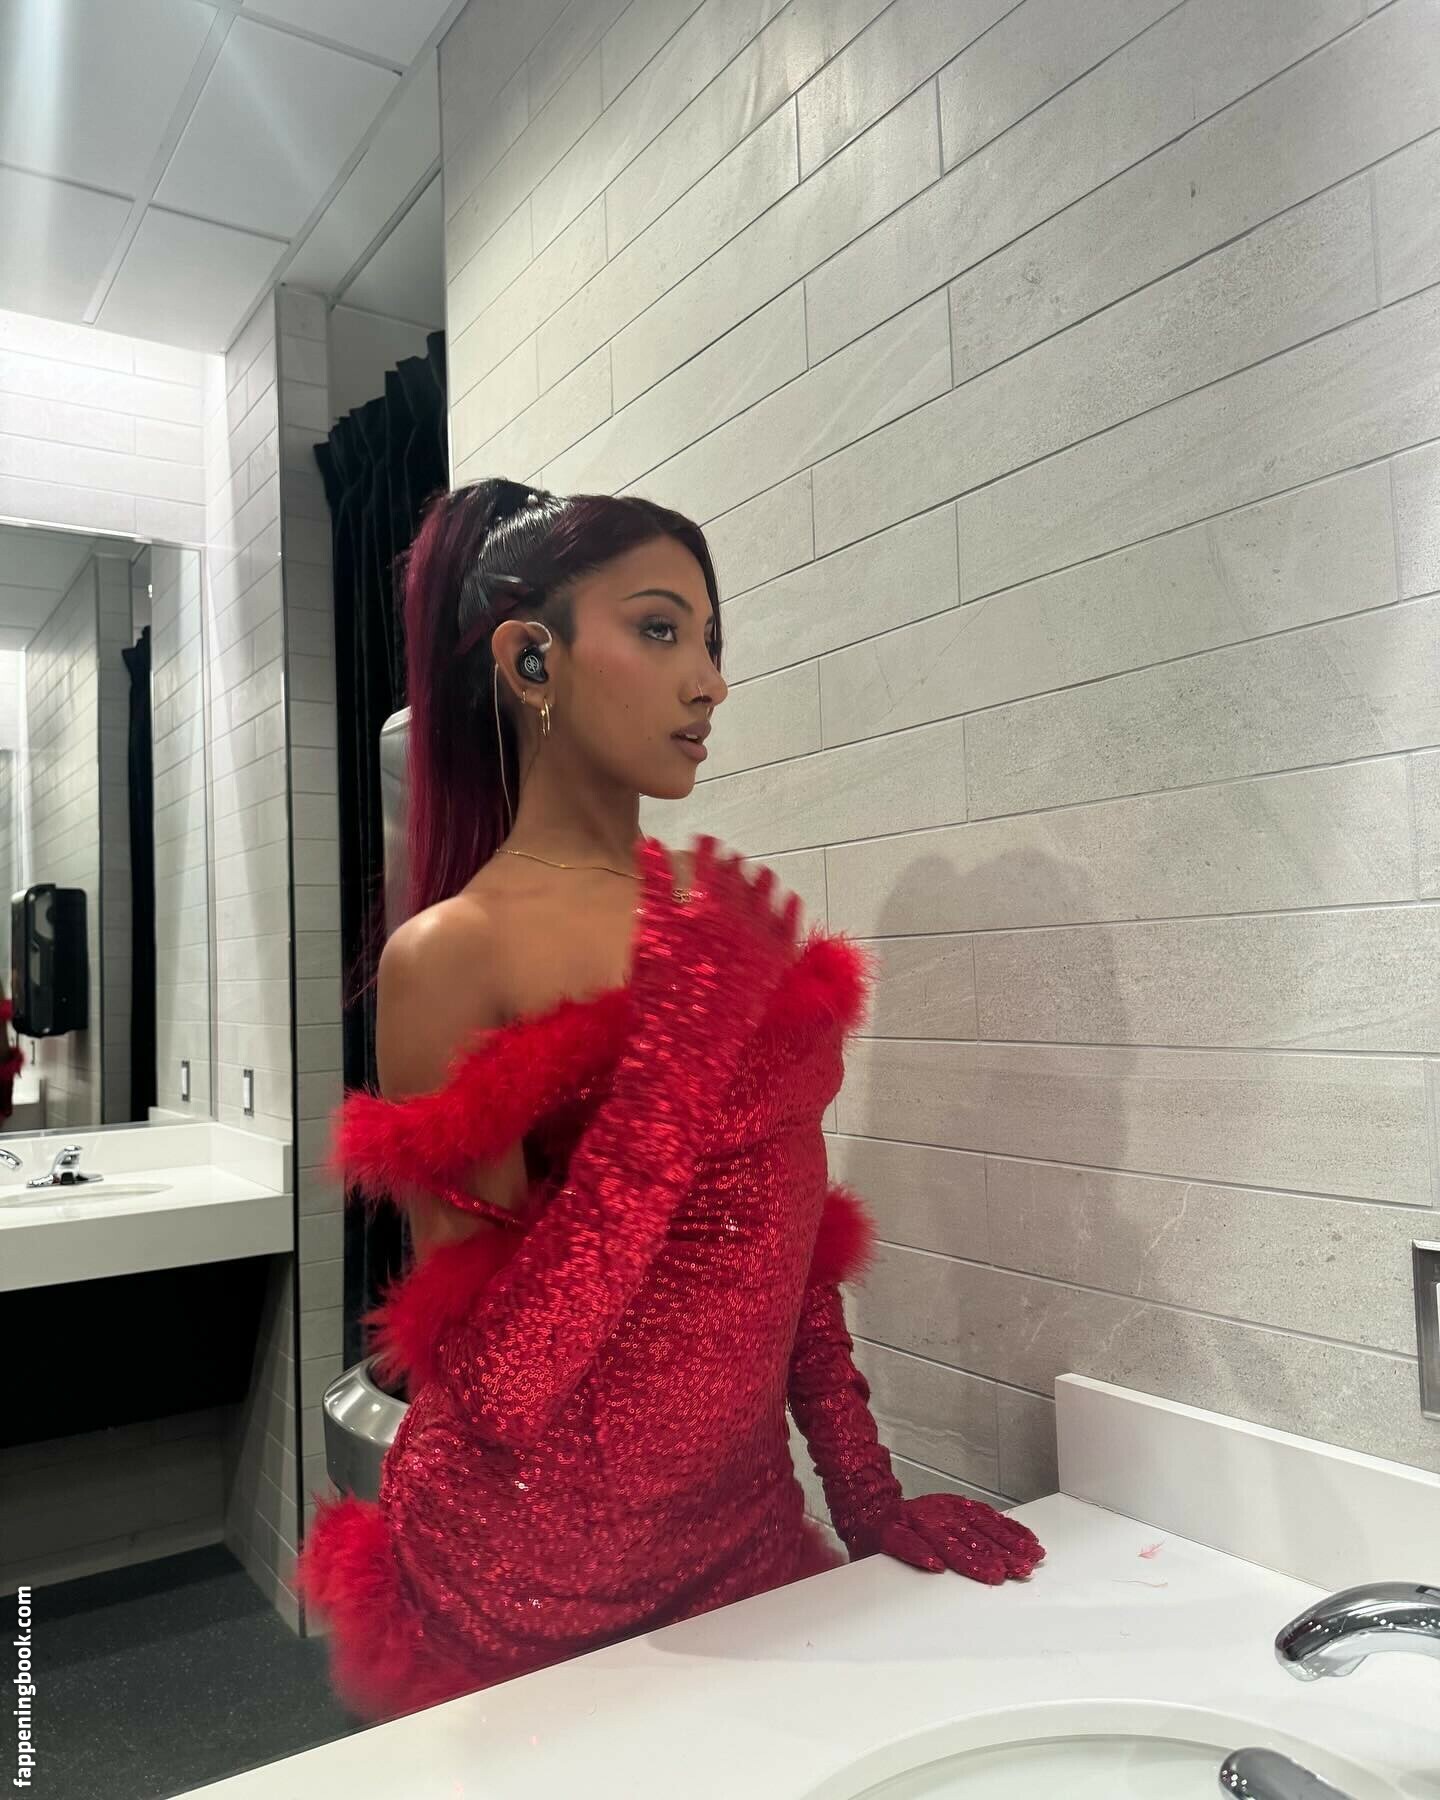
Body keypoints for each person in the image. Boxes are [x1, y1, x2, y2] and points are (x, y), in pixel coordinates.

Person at [293, 477, 1044, 1722]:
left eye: (710, 639)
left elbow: (783, 1243)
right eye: (659, 629)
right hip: (529, 1592)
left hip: (740, 1544)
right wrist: (671, 1080)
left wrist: (867, 1504)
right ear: (531, 660)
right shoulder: (454, 953)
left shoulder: (710, 921)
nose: (709, 682)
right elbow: (492, 1386)